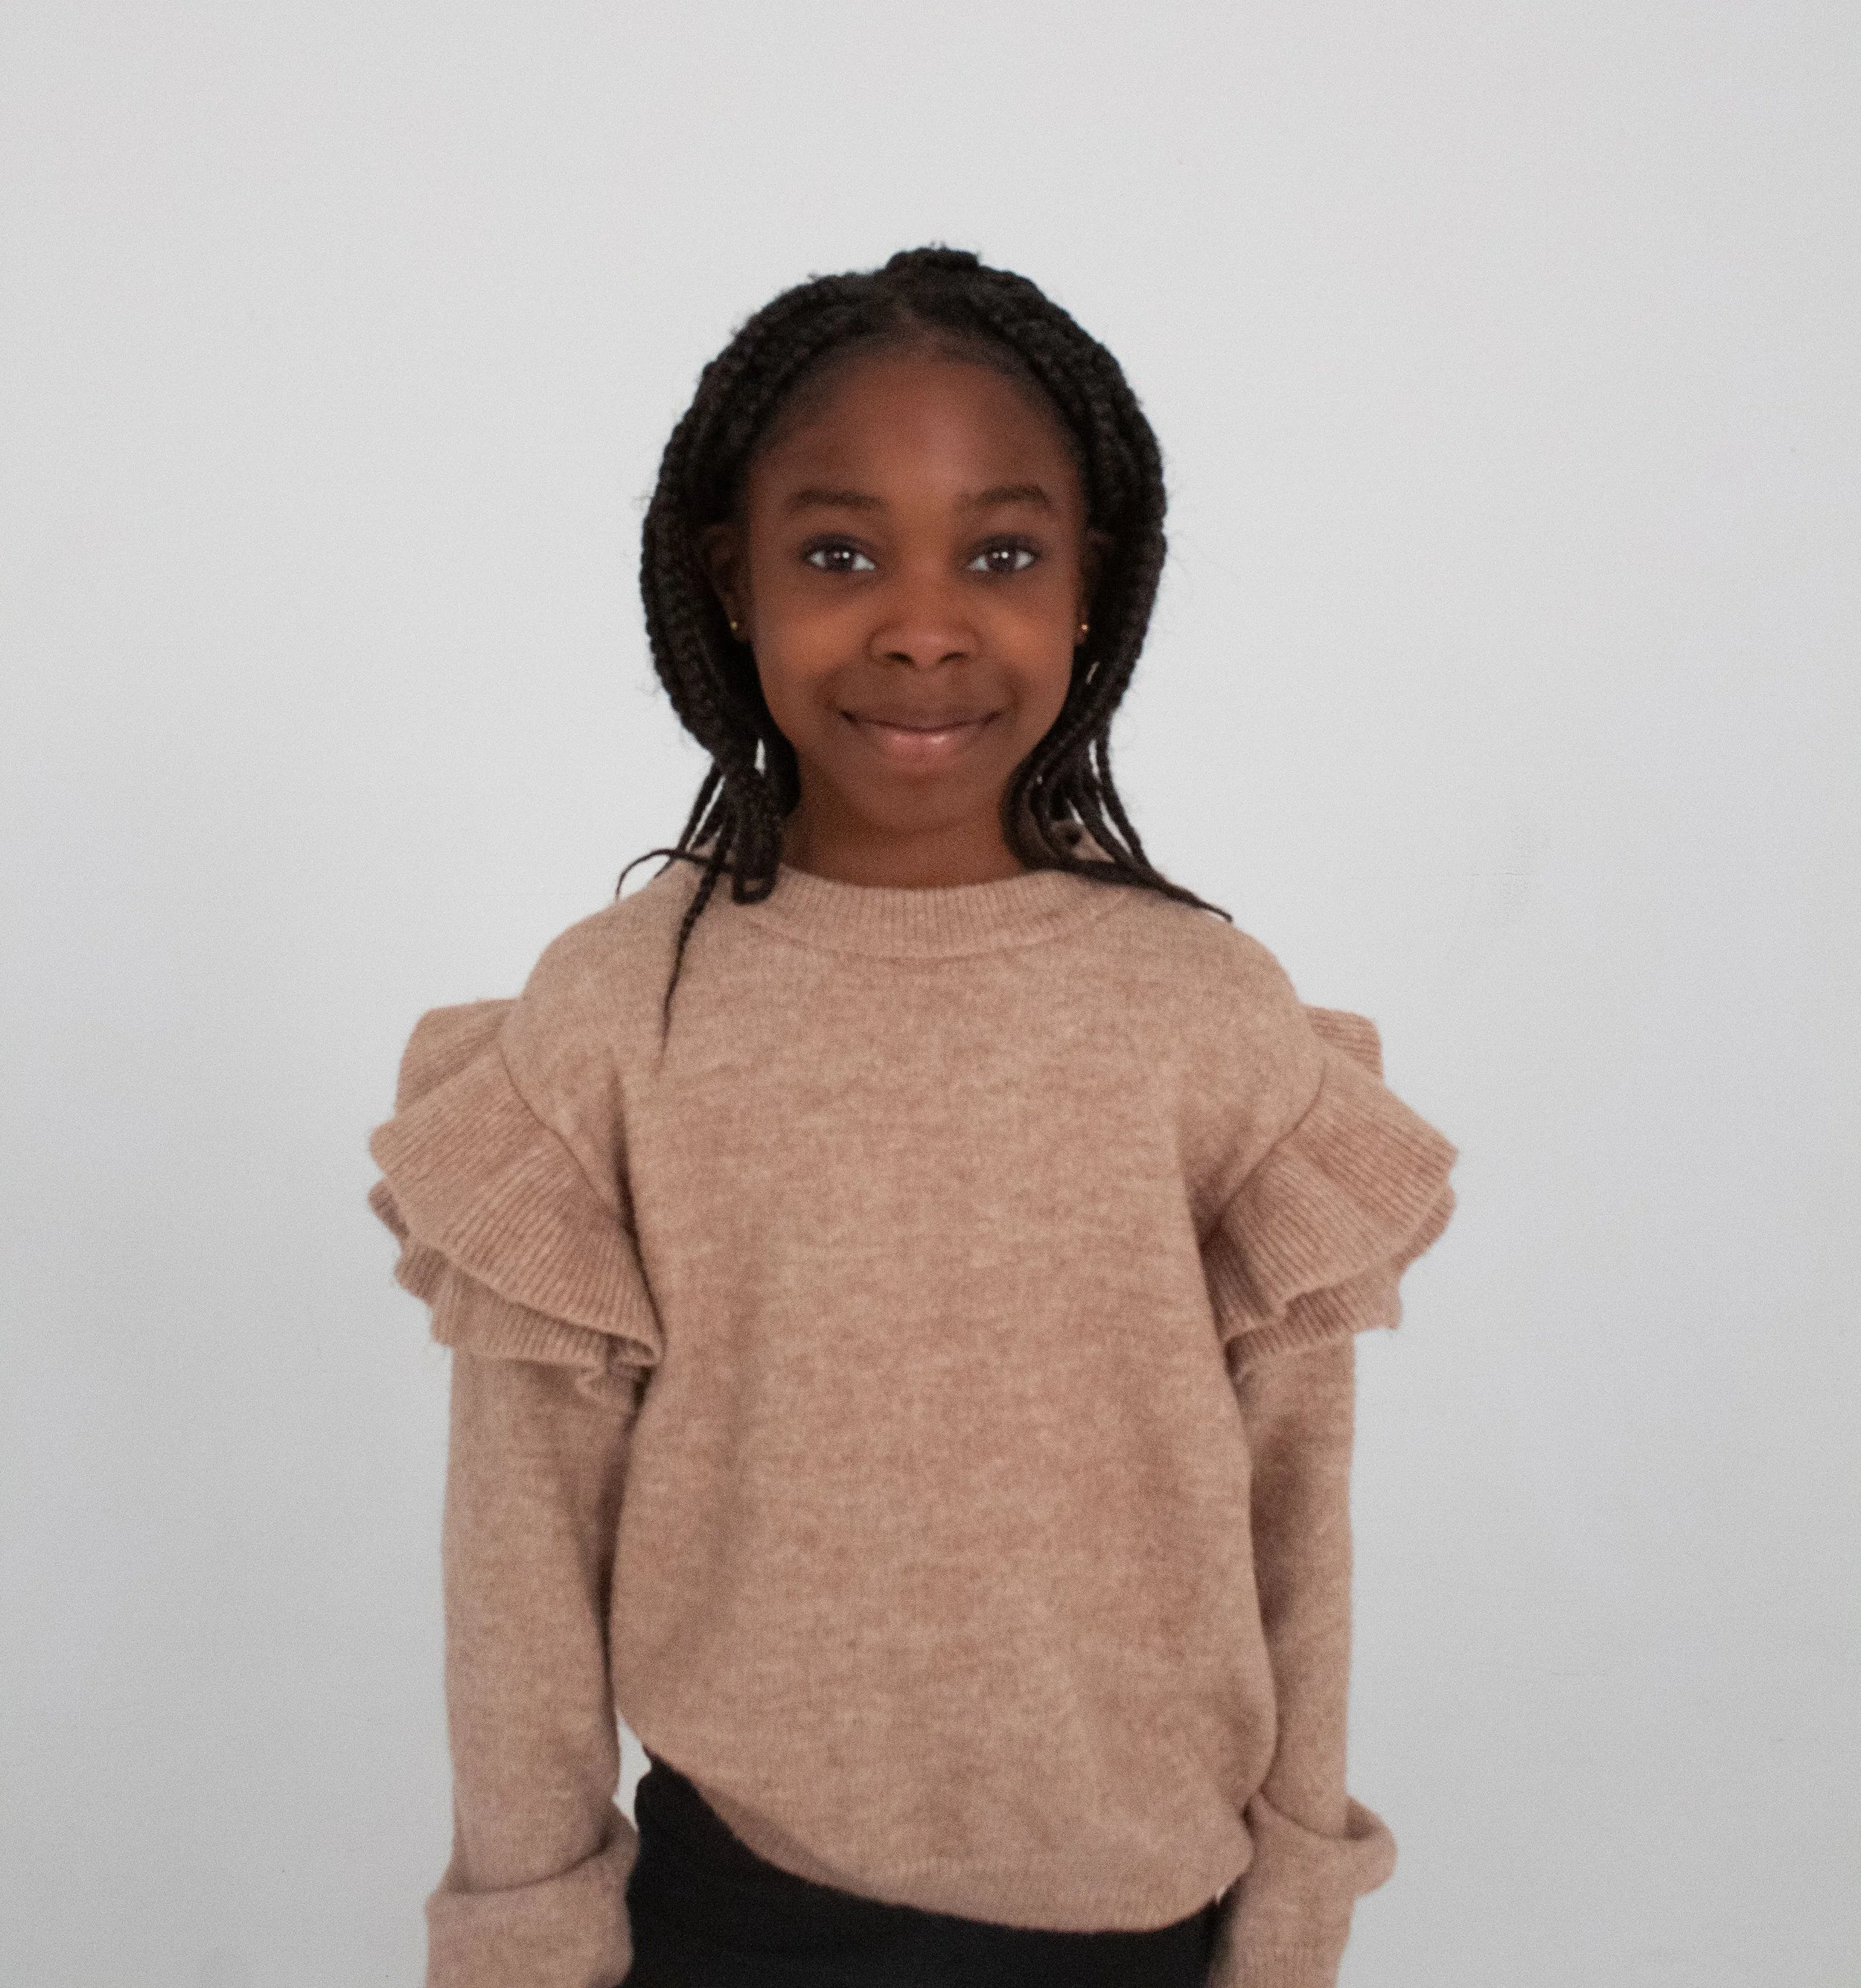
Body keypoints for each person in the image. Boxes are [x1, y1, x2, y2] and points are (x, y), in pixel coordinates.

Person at [367, 243, 1458, 1988]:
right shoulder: (613, 1017)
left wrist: (1291, 1918)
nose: (923, 622)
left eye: (1002, 553)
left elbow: (1292, 1503)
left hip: (1147, 1927)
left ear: (1091, 585)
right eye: (839, 551)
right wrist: (527, 1938)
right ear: (731, 579)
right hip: (743, 1920)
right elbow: (521, 1535)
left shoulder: (1203, 1017)